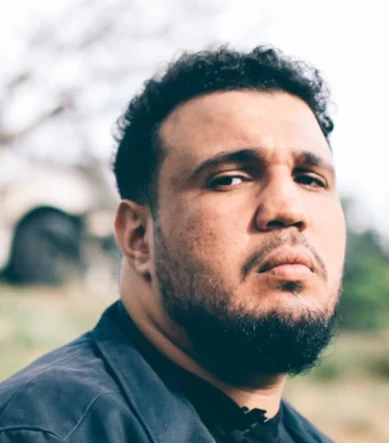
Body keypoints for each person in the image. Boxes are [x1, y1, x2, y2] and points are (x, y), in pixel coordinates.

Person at [0, 46, 346, 442]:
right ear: (138, 237)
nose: (289, 209)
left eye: (310, 179)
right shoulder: (40, 431)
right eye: (229, 179)